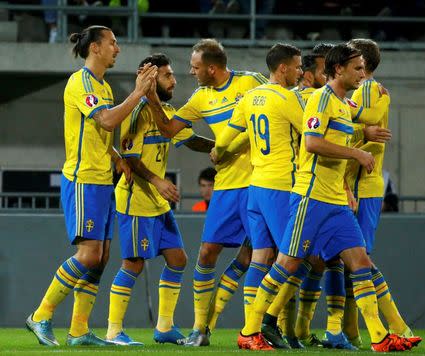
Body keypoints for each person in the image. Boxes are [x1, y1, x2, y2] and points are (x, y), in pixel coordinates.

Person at [237, 43, 420, 353]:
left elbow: (362, 119)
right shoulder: (321, 100)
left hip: (335, 200)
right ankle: (249, 331)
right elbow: (311, 143)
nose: (363, 74)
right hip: (310, 197)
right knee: (286, 263)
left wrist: (370, 125)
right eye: (358, 68)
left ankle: (379, 337)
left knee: (361, 262)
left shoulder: (342, 103)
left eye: (364, 68)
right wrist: (357, 153)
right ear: (339, 69)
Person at [26, 25, 156, 346]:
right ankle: (41, 315)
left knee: (100, 257)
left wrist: (117, 158)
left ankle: (79, 331)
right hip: (83, 178)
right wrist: (138, 92)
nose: (117, 48)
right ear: (95, 48)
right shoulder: (80, 81)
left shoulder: (103, 86)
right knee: (88, 254)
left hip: (101, 179)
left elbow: (100, 133)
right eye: (112, 43)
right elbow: (107, 121)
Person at [145, 38, 267, 346]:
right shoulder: (200, 98)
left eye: (196, 66)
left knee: (259, 258)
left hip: (261, 183)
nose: (191, 71)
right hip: (226, 186)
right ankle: (200, 329)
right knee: (207, 253)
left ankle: (258, 329)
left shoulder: (251, 82)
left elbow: (281, 104)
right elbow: (170, 129)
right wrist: (150, 96)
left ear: (212, 68)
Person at [106, 53, 215, 346]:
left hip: (157, 202)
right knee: (134, 264)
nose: (175, 80)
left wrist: (225, 148)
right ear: (152, 79)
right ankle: (114, 331)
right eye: (168, 75)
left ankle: (164, 327)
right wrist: (157, 180)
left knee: (178, 259)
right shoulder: (136, 111)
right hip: (136, 200)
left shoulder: (165, 111)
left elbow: (190, 140)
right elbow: (129, 156)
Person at [212, 43, 305, 351]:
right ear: (283, 68)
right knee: (292, 260)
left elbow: (226, 135)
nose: (300, 71)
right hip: (281, 186)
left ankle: (254, 334)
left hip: (255, 187)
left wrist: (218, 151)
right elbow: (313, 133)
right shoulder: (286, 97)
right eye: (297, 65)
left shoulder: (250, 97)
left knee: (260, 258)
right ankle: (262, 325)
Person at [342, 38, 418, 346]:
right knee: (352, 262)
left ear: (361, 62)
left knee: (358, 261)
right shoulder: (370, 92)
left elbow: (357, 128)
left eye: (350, 57)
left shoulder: (367, 91)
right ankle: (349, 330)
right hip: (362, 185)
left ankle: (397, 326)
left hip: (360, 186)